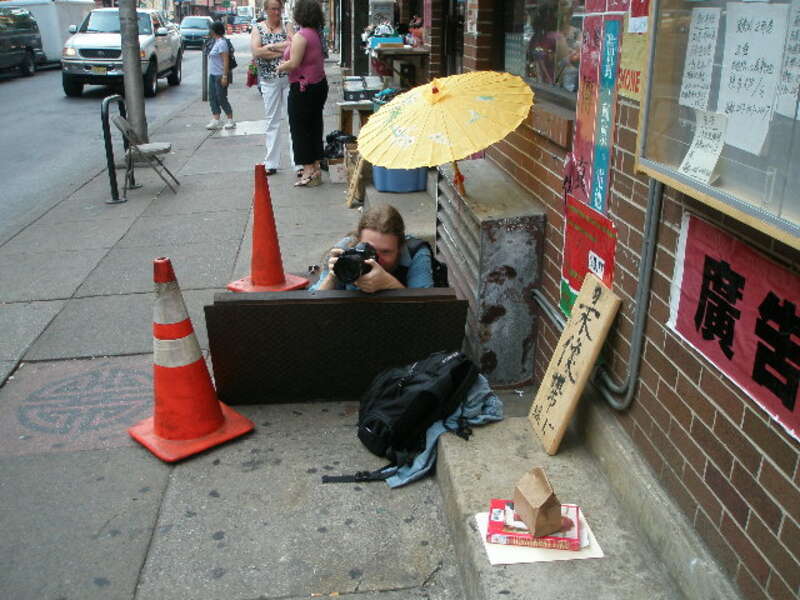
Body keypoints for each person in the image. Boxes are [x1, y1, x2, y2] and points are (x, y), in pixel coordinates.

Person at [311, 204, 434, 293]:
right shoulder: (345, 250)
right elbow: (311, 309)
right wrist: (333, 277)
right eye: (368, 249)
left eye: (385, 252)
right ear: (358, 240)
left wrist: (390, 285)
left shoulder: (416, 253)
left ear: (400, 247)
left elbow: (426, 312)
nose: (375, 259)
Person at [277, 0, 328, 187]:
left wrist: (280, 68)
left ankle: (307, 169)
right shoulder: (315, 34)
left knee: (300, 129)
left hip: (303, 87)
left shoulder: (302, 36)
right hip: (318, 84)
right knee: (314, 125)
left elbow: (294, 63)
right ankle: (315, 166)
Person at [250, 0, 297, 175]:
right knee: (272, 121)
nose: (277, 12)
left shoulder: (287, 26)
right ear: (266, 10)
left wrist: (268, 48)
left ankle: (297, 162)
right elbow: (256, 51)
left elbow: (294, 48)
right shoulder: (258, 28)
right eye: (273, 9)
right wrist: (281, 50)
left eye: (279, 9)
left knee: (293, 120)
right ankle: (271, 162)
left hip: (288, 79)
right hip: (269, 80)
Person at [206, 21, 236, 130]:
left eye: (211, 29)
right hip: (213, 75)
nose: (210, 31)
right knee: (213, 97)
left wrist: (225, 76)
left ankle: (230, 119)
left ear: (214, 31)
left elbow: (225, 60)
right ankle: (216, 119)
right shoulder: (215, 42)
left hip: (220, 75)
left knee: (221, 97)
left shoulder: (222, 43)